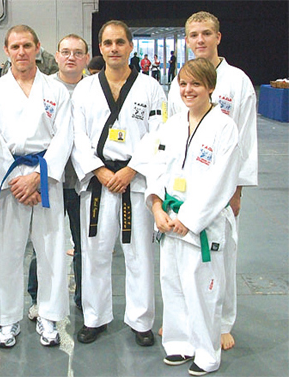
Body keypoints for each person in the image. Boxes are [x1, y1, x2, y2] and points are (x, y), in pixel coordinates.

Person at [70, 20, 166, 346]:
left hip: (134, 183)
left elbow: (159, 135)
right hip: (98, 182)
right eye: (108, 43)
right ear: (100, 48)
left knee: (138, 254)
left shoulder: (151, 87)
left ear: (130, 47)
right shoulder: (84, 89)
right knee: (95, 252)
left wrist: (133, 170)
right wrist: (98, 170)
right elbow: (77, 136)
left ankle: (141, 322)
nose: (114, 48)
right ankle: (95, 318)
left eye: (120, 42)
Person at [167, 10, 258, 351]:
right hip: (182, 189)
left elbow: (246, 140)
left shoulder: (237, 81)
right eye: (193, 35)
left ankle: (221, 322)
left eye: (206, 33)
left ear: (218, 37)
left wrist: (237, 189)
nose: (200, 40)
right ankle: (182, 320)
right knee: (181, 257)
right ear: (187, 40)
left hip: (221, 188)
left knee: (221, 256)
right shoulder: (181, 83)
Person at [147, 58, 240, 376]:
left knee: (202, 289)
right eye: (183, 83)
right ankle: (178, 343)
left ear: (210, 88)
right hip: (169, 219)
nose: (188, 90)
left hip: (202, 223)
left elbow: (221, 181)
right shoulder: (172, 125)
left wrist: (189, 217)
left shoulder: (224, 127)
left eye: (196, 84)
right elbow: (156, 167)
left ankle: (207, 351)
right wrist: (157, 207)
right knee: (171, 283)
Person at [0, 24, 72, 348]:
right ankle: (7, 320)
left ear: (37, 47)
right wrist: (15, 181)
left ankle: (49, 317)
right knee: (6, 252)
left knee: (51, 251)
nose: (21, 52)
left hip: (45, 176)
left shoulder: (56, 90)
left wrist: (39, 177)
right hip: (9, 179)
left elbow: (65, 137)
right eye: (15, 46)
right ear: (6, 51)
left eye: (27, 46)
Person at [27, 33, 90, 320]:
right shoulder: (43, 88)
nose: (71, 57)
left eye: (78, 52)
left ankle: (83, 298)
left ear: (86, 58)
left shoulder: (94, 89)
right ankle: (37, 298)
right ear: (57, 54)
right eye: (65, 51)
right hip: (48, 179)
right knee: (44, 244)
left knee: (83, 245)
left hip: (82, 182)